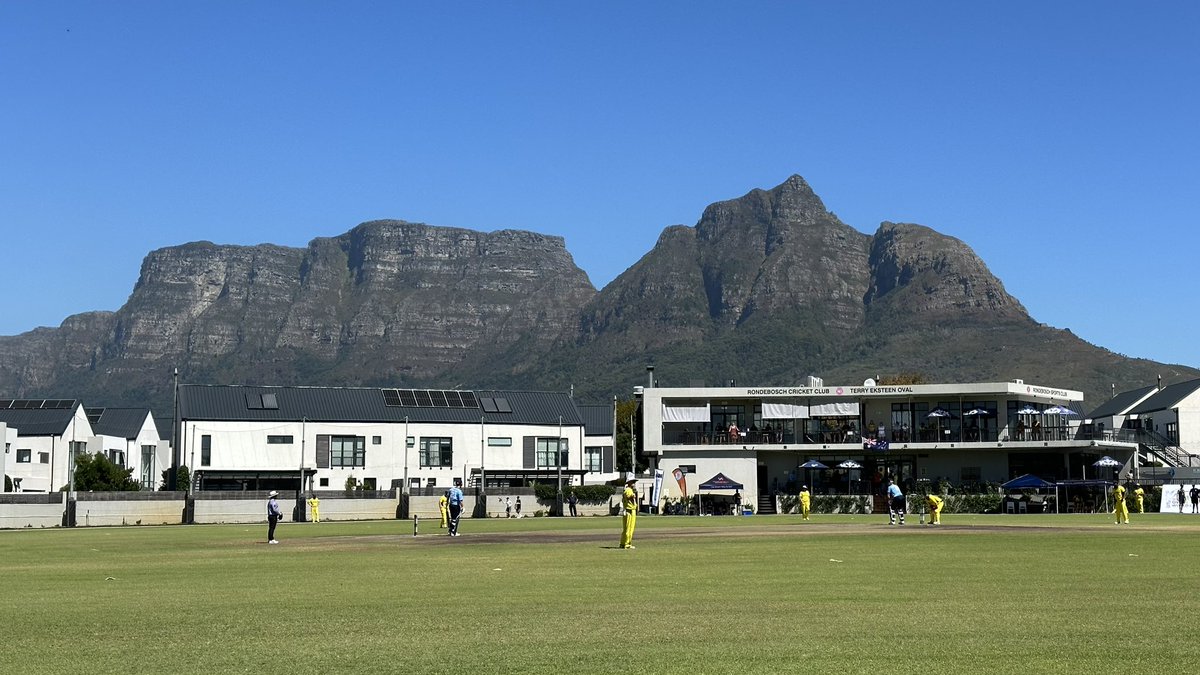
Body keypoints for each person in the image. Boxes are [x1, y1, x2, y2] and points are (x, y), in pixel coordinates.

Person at [620, 476, 638, 549]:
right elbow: (628, 497)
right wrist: (632, 496)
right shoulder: (628, 490)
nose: (634, 483)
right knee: (629, 528)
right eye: (633, 482)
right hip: (629, 511)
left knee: (627, 528)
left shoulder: (629, 489)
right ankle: (627, 544)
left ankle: (623, 543)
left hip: (630, 510)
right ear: (629, 482)